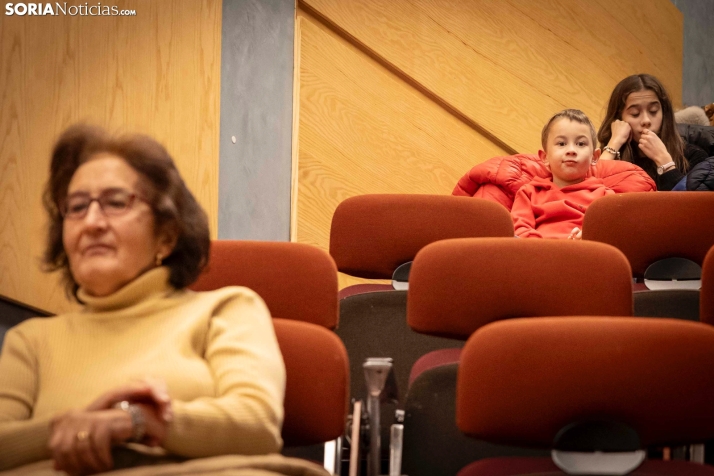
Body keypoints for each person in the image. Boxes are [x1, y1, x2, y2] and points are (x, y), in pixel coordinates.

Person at [0, 125, 288, 474]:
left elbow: (258, 425)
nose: (91, 222)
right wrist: (76, 429)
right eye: (76, 207)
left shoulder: (225, 310)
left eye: (116, 202)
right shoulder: (30, 342)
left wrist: (140, 421)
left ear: (166, 236)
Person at [512, 109, 614, 239]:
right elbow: (519, 228)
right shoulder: (529, 192)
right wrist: (544, 249)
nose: (571, 150)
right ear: (545, 157)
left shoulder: (605, 197)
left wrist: (588, 236)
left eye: (580, 144)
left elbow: (611, 231)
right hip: (538, 253)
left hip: (585, 253)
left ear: (594, 157)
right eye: (561, 143)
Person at [598, 73, 709, 191]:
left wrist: (665, 163)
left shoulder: (694, 156)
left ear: (664, 113)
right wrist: (614, 143)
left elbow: (693, 206)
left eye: (653, 111)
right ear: (619, 118)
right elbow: (591, 193)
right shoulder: (609, 155)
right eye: (635, 113)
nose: (646, 120)